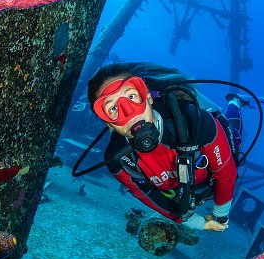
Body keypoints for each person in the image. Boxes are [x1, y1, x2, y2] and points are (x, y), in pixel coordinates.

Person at [87, 62, 246, 232]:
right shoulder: (119, 161)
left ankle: (235, 103)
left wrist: (220, 213)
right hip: (186, 189)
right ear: (109, 124)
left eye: (132, 97)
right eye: (112, 108)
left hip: (211, 168)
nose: (129, 112)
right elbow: (147, 195)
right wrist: (196, 223)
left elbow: (226, 174)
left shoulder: (195, 121)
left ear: (148, 97)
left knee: (235, 136)